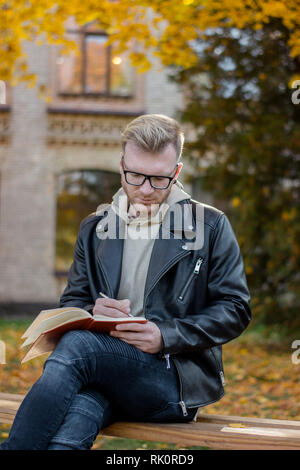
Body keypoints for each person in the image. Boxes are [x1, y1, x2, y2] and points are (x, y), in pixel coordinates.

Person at [0, 114, 251, 450]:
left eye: (159, 179)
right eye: (135, 176)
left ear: (176, 172)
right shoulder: (94, 228)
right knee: (72, 427)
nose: (146, 190)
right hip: (104, 373)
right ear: (121, 166)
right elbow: (72, 303)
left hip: (171, 378)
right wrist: (92, 310)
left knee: (77, 348)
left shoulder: (210, 226)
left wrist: (165, 335)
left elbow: (235, 308)